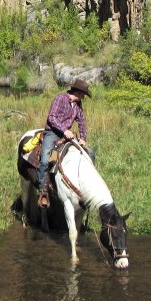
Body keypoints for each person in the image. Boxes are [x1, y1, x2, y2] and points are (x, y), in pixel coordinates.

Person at [36, 78, 92, 209]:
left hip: (67, 135)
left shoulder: (78, 106)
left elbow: (81, 121)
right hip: (52, 133)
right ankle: (43, 190)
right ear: (78, 92)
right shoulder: (60, 99)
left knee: (89, 154)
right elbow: (52, 117)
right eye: (83, 94)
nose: (83, 97)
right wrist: (64, 130)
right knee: (45, 160)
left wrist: (83, 138)